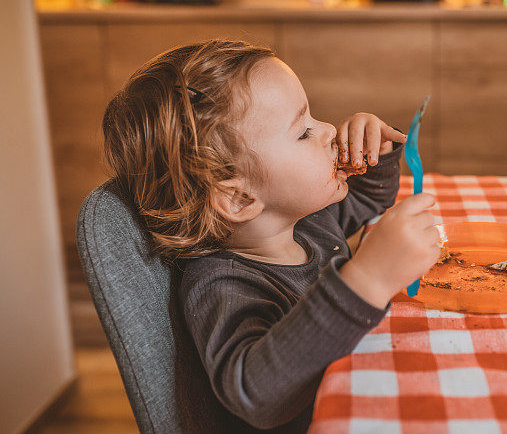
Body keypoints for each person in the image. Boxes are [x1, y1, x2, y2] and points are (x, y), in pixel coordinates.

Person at [101, 39, 441, 432]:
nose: (329, 129)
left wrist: (374, 156)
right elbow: (257, 394)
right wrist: (367, 280)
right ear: (240, 197)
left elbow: (367, 203)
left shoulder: (302, 222)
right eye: (303, 132)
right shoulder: (223, 285)